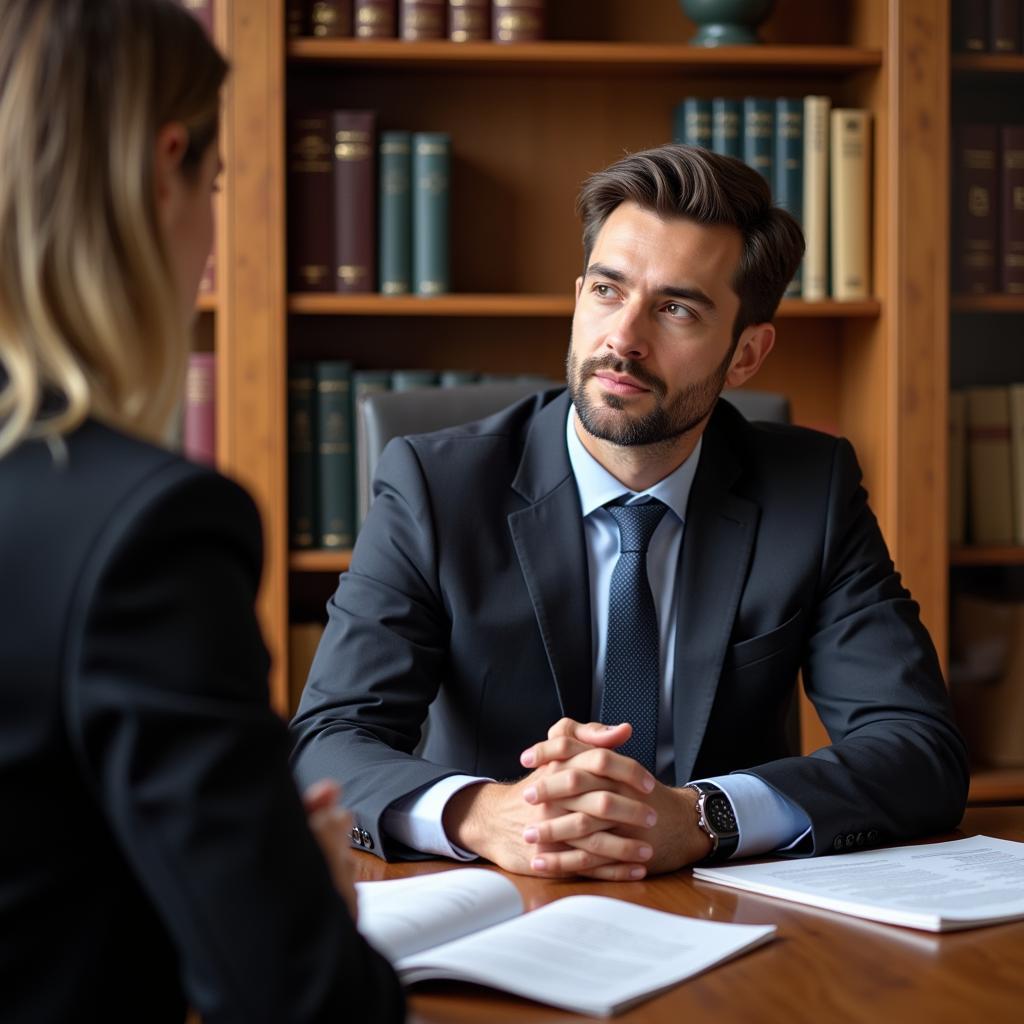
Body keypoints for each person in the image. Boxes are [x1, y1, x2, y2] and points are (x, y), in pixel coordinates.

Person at [290, 143, 969, 882]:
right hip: (498, 897)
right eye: (608, 291)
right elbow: (326, 740)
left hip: (727, 911)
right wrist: (484, 814)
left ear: (746, 355)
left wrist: (703, 816)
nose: (623, 339)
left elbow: (917, 748)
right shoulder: (435, 485)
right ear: (579, 295)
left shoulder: (810, 490)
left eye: (675, 308)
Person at [0, 2, 403, 1021]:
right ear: (163, 166)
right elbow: (296, 999)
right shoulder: (144, 533)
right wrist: (293, 891)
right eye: (217, 184)